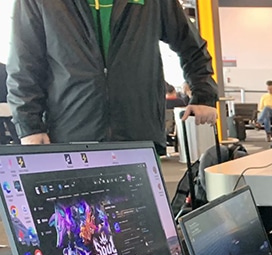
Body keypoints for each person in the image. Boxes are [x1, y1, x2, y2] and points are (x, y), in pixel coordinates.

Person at [6, 0, 218, 154]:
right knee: (80, 214)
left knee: (143, 213)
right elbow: (24, 65)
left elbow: (192, 47)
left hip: (138, 134)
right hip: (70, 135)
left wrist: (203, 95)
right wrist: (29, 127)